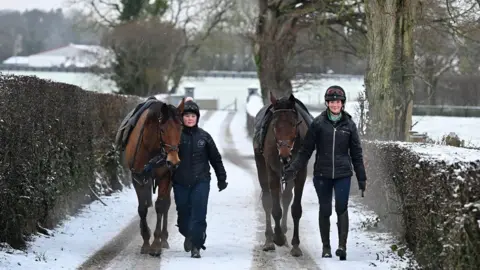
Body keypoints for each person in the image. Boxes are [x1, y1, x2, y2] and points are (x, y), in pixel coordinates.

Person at [281, 85, 367, 261]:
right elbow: (305, 151)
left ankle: (342, 246)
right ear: (327, 103)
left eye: (338, 102)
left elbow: (357, 154)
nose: (335, 105)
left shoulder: (349, 125)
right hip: (322, 175)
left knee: (341, 208)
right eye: (332, 102)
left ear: (342, 103)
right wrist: (292, 169)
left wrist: (361, 178)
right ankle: (326, 246)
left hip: (343, 174)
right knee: (325, 209)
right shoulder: (318, 124)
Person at [172, 97, 228, 258]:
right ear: (182, 118)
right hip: (180, 181)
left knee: (199, 214)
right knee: (183, 216)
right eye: (187, 116)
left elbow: (216, 159)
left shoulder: (205, 137)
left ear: (197, 118)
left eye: (193, 116)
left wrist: (221, 178)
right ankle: (188, 235)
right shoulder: (176, 136)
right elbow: (166, 156)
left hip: (201, 181)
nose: (190, 119)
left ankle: (196, 245)